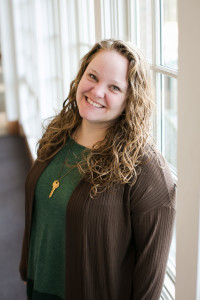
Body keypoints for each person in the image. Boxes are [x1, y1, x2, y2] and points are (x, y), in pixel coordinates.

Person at [19, 39, 176, 300]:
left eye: (114, 87)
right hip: (40, 285)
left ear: (130, 99)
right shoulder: (59, 132)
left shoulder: (147, 170)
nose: (96, 91)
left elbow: (149, 276)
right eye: (92, 76)